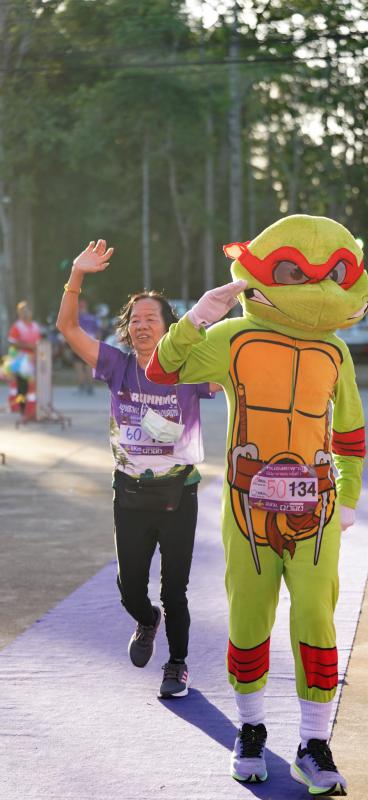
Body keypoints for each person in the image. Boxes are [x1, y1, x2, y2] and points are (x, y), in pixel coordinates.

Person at [147, 214, 368, 796]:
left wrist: (348, 495)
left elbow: (349, 433)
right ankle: (250, 730)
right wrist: (198, 316)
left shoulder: (336, 352)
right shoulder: (233, 338)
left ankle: (313, 743)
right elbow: (162, 371)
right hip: (247, 509)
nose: (311, 285)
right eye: (295, 271)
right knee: (249, 618)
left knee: (317, 618)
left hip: (317, 512)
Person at [57, 239, 213, 698]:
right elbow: (67, 327)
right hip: (129, 493)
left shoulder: (190, 368)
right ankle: (146, 621)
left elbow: (236, 371)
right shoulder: (116, 365)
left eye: (151, 319)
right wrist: (77, 274)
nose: (142, 326)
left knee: (175, 590)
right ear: (127, 329)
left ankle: (177, 665)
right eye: (135, 320)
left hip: (179, 492)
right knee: (130, 589)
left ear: (169, 328)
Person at [7, 301, 41, 417]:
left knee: (32, 386)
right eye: (22, 311)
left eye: (27, 310)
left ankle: (31, 409)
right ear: (19, 313)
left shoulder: (35, 326)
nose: (25, 313)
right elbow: (13, 343)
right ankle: (21, 408)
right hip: (21, 361)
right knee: (22, 386)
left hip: (34, 360)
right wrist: (28, 346)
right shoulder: (17, 326)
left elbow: (39, 342)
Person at [73, 298, 100, 394]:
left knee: (78, 365)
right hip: (90, 344)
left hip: (79, 344)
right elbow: (98, 332)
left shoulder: (77, 318)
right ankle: (90, 387)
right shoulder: (93, 318)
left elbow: (74, 332)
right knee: (89, 366)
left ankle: (81, 386)